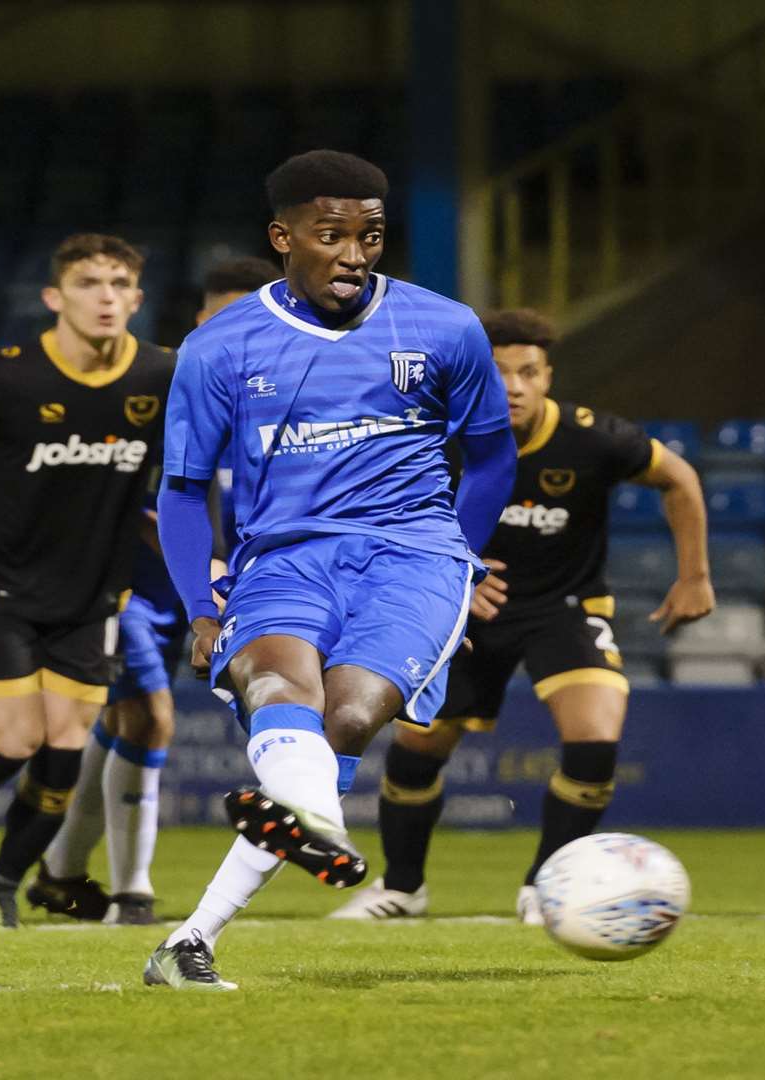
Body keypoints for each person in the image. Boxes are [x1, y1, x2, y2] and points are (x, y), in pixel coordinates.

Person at [143, 150, 514, 990]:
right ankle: (310, 826)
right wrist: (201, 607)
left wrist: (456, 551)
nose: (355, 253)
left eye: (372, 235)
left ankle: (200, 929)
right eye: (332, 235)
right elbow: (182, 490)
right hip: (281, 556)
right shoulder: (219, 347)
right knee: (281, 692)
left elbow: (492, 456)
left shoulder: (446, 327)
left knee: (345, 721)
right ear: (283, 237)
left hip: (413, 555)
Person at [328, 307, 715, 923]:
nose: (512, 386)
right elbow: (381, 520)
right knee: (417, 746)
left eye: (527, 372)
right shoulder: (438, 437)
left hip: (563, 607)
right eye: (498, 372)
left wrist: (694, 576)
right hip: (464, 613)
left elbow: (680, 478)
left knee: (596, 736)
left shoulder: (593, 437)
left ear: (547, 376)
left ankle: (547, 885)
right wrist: (453, 578)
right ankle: (402, 889)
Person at [0, 234, 176, 929]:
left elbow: (189, 481)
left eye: (118, 284)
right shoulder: (1, 380)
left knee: (65, 752)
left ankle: (0, 887)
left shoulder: (161, 376)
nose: (105, 297)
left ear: (137, 299)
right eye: (88, 283)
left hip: (91, 597)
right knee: (16, 741)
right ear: (55, 297)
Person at [31, 254, 278, 925]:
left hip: (223, 592)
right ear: (198, 323)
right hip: (125, 588)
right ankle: (132, 891)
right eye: (220, 320)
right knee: (149, 717)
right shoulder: (158, 387)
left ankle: (57, 872)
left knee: (124, 727)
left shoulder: (291, 398)